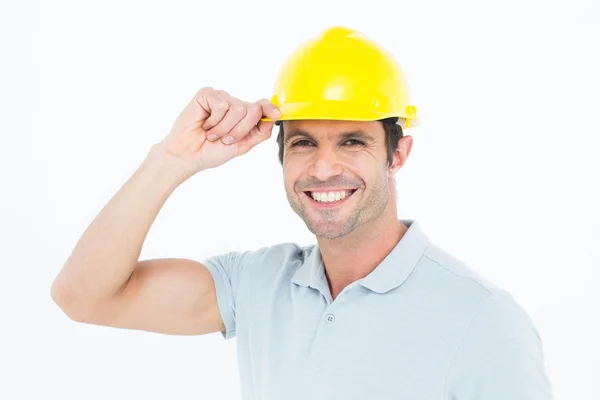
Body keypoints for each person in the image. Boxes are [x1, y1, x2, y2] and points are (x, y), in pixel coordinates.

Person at [51, 27, 554, 399]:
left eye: (352, 141)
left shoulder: (484, 320)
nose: (324, 166)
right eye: (303, 142)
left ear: (397, 155)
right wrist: (171, 160)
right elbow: (84, 297)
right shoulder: (258, 285)